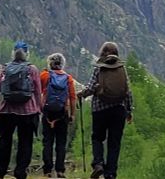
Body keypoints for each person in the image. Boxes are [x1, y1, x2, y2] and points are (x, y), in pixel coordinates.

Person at [80, 42, 133, 179]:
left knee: (97, 137)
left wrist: (81, 94)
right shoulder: (122, 67)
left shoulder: (99, 67)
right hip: (118, 110)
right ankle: (110, 174)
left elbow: (91, 88)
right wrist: (129, 111)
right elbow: (127, 91)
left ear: (102, 53)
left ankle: (98, 164)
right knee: (114, 143)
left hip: (100, 109)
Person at [0, 40, 42, 179]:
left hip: (7, 110)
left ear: (13, 53)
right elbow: (38, 91)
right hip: (28, 111)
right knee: (25, 142)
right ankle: (20, 172)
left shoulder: (5, 68)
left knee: (5, 141)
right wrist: (38, 108)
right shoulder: (32, 69)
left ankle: (0, 171)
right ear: (27, 54)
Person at [40, 53, 77, 178]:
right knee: (61, 142)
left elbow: (37, 91)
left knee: (47, 142)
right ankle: (60, 170)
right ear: (62, 64)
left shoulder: (45, 75)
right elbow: (72, 98)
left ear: (50, 63)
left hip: (47, 113)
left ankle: (47, 170)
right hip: (62, 114)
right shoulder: (68, 78)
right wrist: (72, 115)